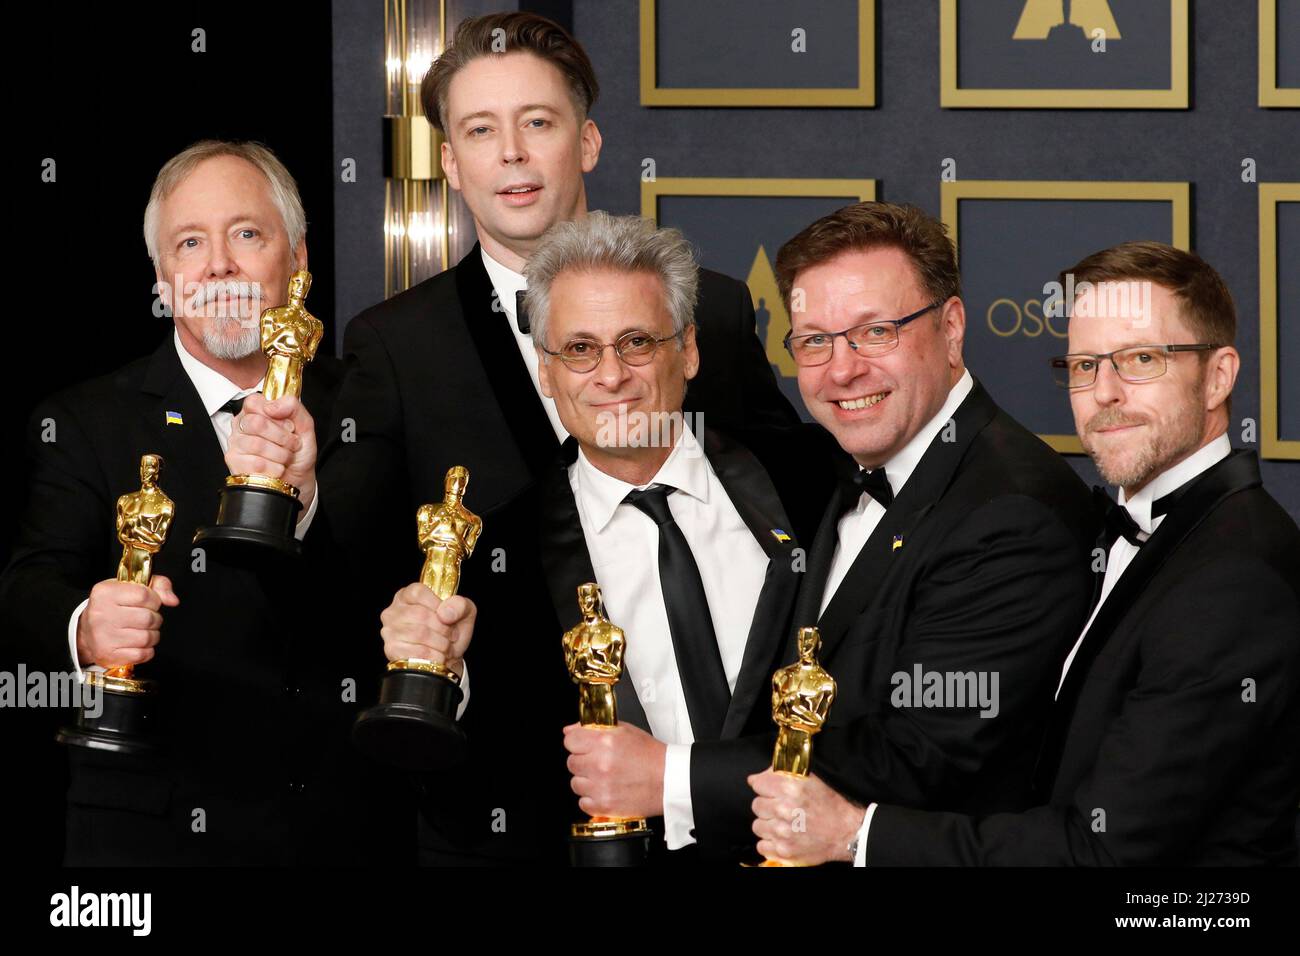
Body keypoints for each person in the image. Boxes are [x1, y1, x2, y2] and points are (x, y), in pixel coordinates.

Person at [751, 241, 1300, 866]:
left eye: (1141, 360)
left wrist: (857, 834)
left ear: (1219, 376)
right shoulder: (1127, 530)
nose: (1106, 393)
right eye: (1085, 365)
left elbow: (1102, 852)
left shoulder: (1235, 579)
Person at [620, 200, 1097, 861]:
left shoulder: (1010, 513)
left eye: (875, 332)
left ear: (952, 327)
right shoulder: (844, 466)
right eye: (815, 340)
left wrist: (670, 776)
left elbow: (924, 751)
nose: (842, 370)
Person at [369, 213, 834, 863]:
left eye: (637, 342)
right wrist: (448, 679)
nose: (610, 376)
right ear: (547, 372)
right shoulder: (492, 558)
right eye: (581, 349)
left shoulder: (814, 490)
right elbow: (463, 807)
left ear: (690, 349)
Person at [0, 139, 398, 865]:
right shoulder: (86, 420)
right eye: (190, 242)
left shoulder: (372, 407)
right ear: (162, 275)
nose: (219, 264)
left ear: (298, 258)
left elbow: (399, 594)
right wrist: (88, 628)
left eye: (247, 234)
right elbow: (28, 585)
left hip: (347, 833)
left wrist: (303, 503)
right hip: (154, 836)